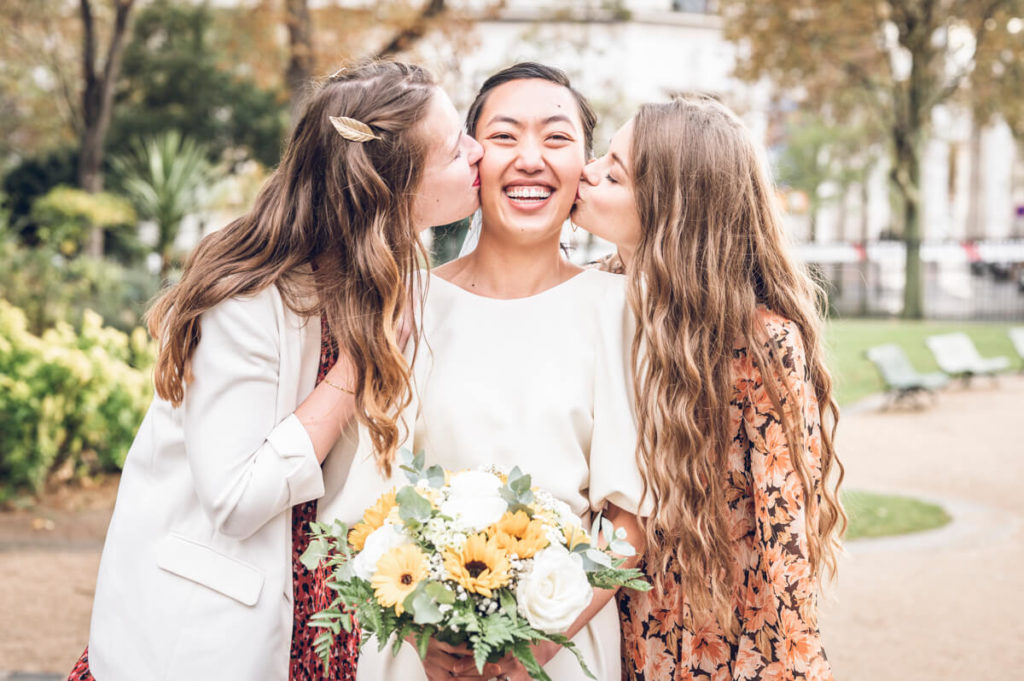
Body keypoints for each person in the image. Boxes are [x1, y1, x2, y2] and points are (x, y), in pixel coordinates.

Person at [67, 61, 483, 681]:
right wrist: (355, 369)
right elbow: (235, 499)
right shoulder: (251, 296)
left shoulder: (402, 278)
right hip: (216, 632)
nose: (477, 151)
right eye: (455, 149)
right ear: (392, 189)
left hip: (336, 623)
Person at [322, 62, 646, 681]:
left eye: (556, 138)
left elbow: (628, 523)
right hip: (416, 653)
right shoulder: (405, 304)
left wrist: (538, 645)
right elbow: (364, 505)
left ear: (585, 164)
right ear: (471, 159)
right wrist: (421, 630)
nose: (531, 159)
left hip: (564, 648)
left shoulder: (621, 311)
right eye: (504, 136)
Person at [571, 95, 845, 680]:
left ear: (672, 208)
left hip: (717, 637)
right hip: (599, 625)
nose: (585, 172)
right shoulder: (588, 301)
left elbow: (783, 544)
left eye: (613, 172)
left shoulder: (760, 343)